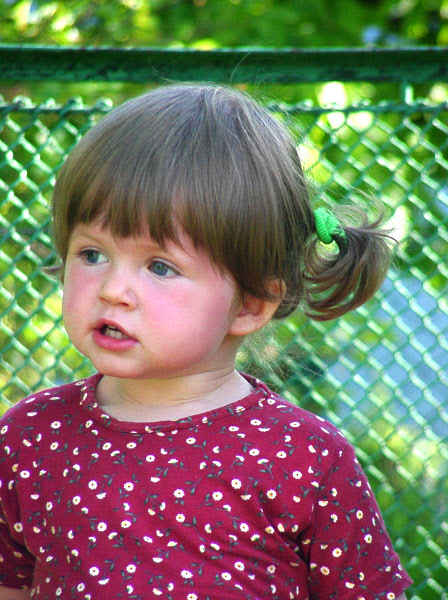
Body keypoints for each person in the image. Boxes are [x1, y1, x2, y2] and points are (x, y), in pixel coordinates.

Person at [0, 84, 412, 600]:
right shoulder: (30, 438)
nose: (112, 289)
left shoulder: (305, 457)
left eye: (160, 266)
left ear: (250, 304)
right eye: (92, 254)